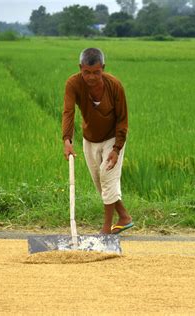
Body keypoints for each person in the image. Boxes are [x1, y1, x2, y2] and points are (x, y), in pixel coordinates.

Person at [62, 47, 134, 235]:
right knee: (100, 183)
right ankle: (124, 217)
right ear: (80, 68)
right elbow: (68, 111)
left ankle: (106, 230)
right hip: (90, 140)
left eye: (96, 72)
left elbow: (122, 119)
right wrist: (67, 139)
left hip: (112, 138)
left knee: (107, 178)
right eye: (87, 72)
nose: (91, 77)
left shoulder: (114, 85)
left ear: (103, 68)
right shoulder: (73, 84)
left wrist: (117, 149)